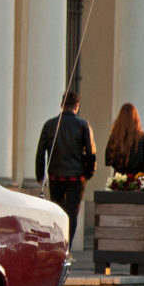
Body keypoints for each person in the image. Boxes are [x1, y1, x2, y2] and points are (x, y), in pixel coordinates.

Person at [35, 91, 97, 247]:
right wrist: (89, 172)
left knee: (57, 212)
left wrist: (40, 174)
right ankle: (66, 247)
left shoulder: (50, 124)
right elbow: (90, 152)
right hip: (76, 177)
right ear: (77, 105)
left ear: (62, 104)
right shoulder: (83, 125)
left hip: (55, 175)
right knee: (72, 214)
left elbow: (41, 150)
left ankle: (57, 244)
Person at [105, 102, 144, 176]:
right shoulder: (142, 137)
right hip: (138, 179)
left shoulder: (114, 137)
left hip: (119, 178)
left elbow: (108, 159)